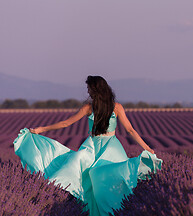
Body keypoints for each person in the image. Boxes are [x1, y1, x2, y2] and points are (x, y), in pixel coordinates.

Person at [13, 75, 163, 216]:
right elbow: (130, 130)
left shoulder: (89, 108)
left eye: (89, 89)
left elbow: (66, 123)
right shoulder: (116, 107)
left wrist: (41, 129)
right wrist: (146, 147)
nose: (88, 92)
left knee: (89, 184)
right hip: (112, 147)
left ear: (95, 90)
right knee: (110, 181)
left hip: (93, 147)